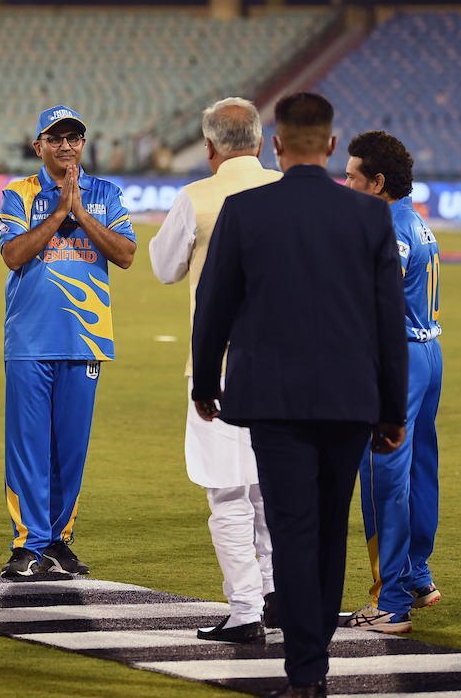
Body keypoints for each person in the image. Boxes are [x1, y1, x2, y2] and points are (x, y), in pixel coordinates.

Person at [191, 92, 408, 698]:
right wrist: (392, 409)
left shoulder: (245, 210)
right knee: (329, 529)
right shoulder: (369, 218)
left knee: (290, 529)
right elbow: (388, 322)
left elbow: (213, 309)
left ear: (278, 145)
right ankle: (316, 660)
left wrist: (207, 385)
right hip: (347, 401)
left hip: (274, 401)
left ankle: (306, 674)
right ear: (332, 146)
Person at [149, 97, 279, 642]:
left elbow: (163, 267)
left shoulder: (196, 198)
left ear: (208, 147)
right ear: (260, 139)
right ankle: (280, 596)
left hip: (219, 367)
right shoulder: (286, 190)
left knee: (227, 492)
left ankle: (247, 611)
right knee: (274, 491)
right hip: (288, 365)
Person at [0, 105, 136, 580]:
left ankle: (58, 541)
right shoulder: (18, 194)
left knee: (70, 450)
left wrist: (81, 212)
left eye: (73, 138)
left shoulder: (107, 194)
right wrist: (60, 212)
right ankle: (26, 544)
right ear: (39, 146)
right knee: (28, 446)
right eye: (55, 138)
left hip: (86, 340)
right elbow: (12, 254)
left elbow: (126, 255)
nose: (66, 146)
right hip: (30, 341)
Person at [342, 131, 443, 634]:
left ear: (377, 183)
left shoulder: (386, 227)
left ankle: (393, 600)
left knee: (383, 477)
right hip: (428, 352)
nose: (345, 182)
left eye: (353, 176)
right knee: (420, 466)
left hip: (396, 359)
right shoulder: (414, 219)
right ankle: (418, 577)